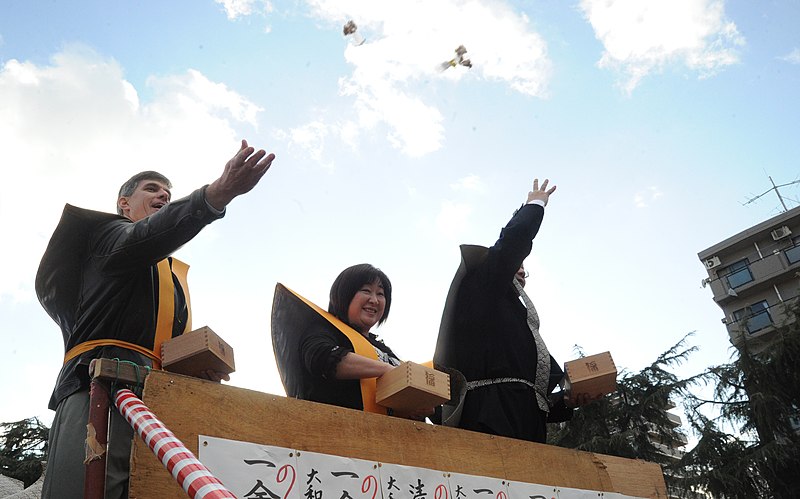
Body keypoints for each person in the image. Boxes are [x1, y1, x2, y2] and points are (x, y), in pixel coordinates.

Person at [35, 139, 276, 498]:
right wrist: (215, 196)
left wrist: (194, 369)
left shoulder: (171, 279)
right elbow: (145, 236)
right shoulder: (106, 238)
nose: (163, 195)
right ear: (124, 204)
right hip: (99, 386)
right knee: (93, 487)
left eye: (167, 191)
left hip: (158, 399)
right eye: (152, 189)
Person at [434, 178, 583, 443]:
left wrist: (571, 399)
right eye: (517, 265)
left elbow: (541, 396)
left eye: (526, 269)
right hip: (489, 414)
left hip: (528, 424)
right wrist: (534, 205)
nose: (522, 270)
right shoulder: (482, 285)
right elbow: (509, 246)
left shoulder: (519, 325)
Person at [271, 264, 433, 419]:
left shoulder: (384, 349)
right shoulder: (325, 329)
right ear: (343, 295)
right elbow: (320, 357)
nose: (374, 300)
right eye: (366, 291)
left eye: (381, 294)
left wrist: (417, 404)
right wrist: (385, 370)